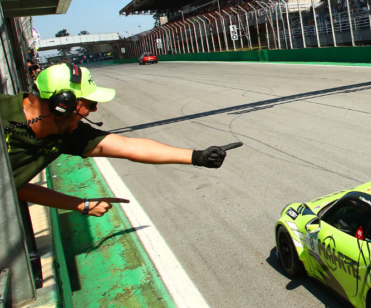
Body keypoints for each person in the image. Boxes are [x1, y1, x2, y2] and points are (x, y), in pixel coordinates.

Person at [1, 63, 239, 217]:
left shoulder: (67, 131)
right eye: (90, 104)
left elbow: (129, 146)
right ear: (63, 104)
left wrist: (198, 157)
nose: (94, 111)